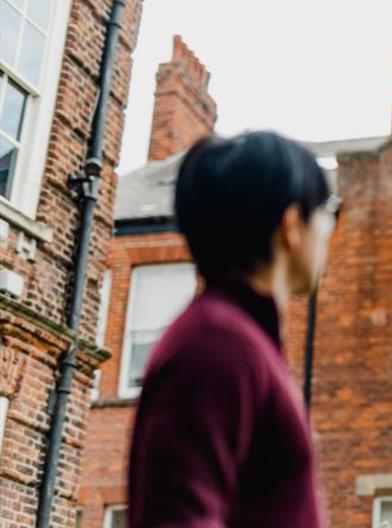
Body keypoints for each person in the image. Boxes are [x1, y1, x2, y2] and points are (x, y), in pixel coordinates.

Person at [128, 131, 335, 527]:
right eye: (326, 213)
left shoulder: (239, 339)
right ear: (291, 225)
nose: (329, 231)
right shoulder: (217, 344)